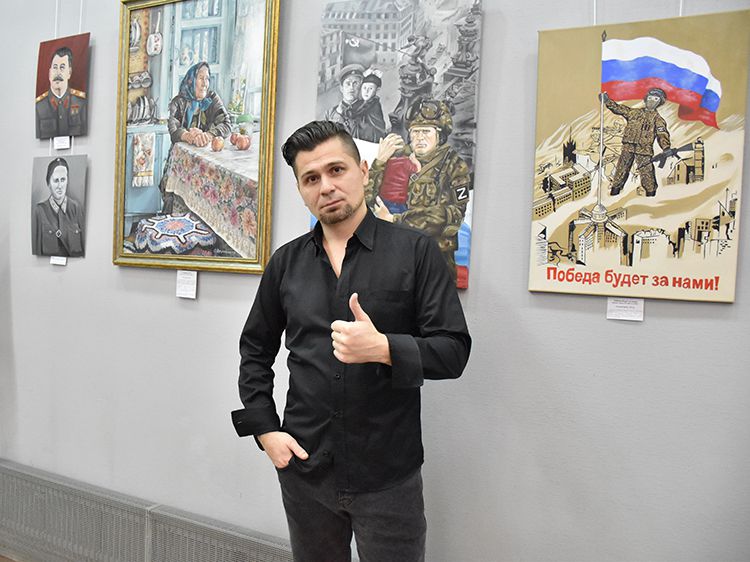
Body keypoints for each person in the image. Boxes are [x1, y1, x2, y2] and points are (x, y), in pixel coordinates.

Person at [231, 121, 471, 562]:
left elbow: (454, 350)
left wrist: (384, 349)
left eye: (336, 170)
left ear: (363, 170)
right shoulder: (286, 263)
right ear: (301, 190)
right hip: (306, 471)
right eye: (310, 178)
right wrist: (265, 430)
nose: (326, 186)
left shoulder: (417, 252)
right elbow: (256, 350)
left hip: (388, 476)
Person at [366, 99, 471, 281]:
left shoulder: (454, 166)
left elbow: (453, 214)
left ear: (440, 134)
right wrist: (380, 162)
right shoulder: (397, 156)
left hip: (433, 261)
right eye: (415, 131)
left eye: (426, 131)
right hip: (393, 257)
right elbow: (364, 199)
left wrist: (395, 220)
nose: (419, 137)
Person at [161, 61, 231, 213]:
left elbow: (226, 123)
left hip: (207, 161)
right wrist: (189, 136)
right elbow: (173, 129)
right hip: (181, 161)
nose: (205, 83)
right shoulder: (178, 102)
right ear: (191, 80)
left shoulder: (212, 98)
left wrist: (208, 135)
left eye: (207, 78)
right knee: (176, 200)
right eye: (201, 78)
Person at [600, 88, 671, 197]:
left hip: (644, 150)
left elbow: (662, 134)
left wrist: (666, 147)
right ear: (646, 99)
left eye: (656, 99)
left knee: (646, 172)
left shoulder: (657, 119)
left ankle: (650, 194)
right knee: (621, 169)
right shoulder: (633, 113)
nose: (652, 101)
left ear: (659, 102)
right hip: (628, 147)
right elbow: (618, 109)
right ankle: (615, 191)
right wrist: (607, 101)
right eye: (650, 97)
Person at [32, 157, 85, 257]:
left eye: (63, 180)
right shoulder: (40, 211)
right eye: (56, 180)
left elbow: (83, 248)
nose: (60, 186)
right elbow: (37, 252)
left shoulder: (76, 208)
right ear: (48, 183)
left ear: (67, 181)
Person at [36, 46, 87, 139]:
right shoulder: (39, 107)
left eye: (62, 67)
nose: (58, 73)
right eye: (55, 67)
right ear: (49, 73)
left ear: (69, 72)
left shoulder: (80, 103)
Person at [323, 64, 365, 137]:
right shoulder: (330, 113)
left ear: (360, 87)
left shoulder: (367, 111)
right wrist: (338, 116)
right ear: (341, 88)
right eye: (348, 83)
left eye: (355, 83)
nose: (351, 87)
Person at [355, 69, 387, 142]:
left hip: (372, 136)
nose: (366, 91)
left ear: (377, 90)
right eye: (364, 88)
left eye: (370, 88)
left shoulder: (373, 103)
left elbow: (358, 112)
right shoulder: (363, 102)